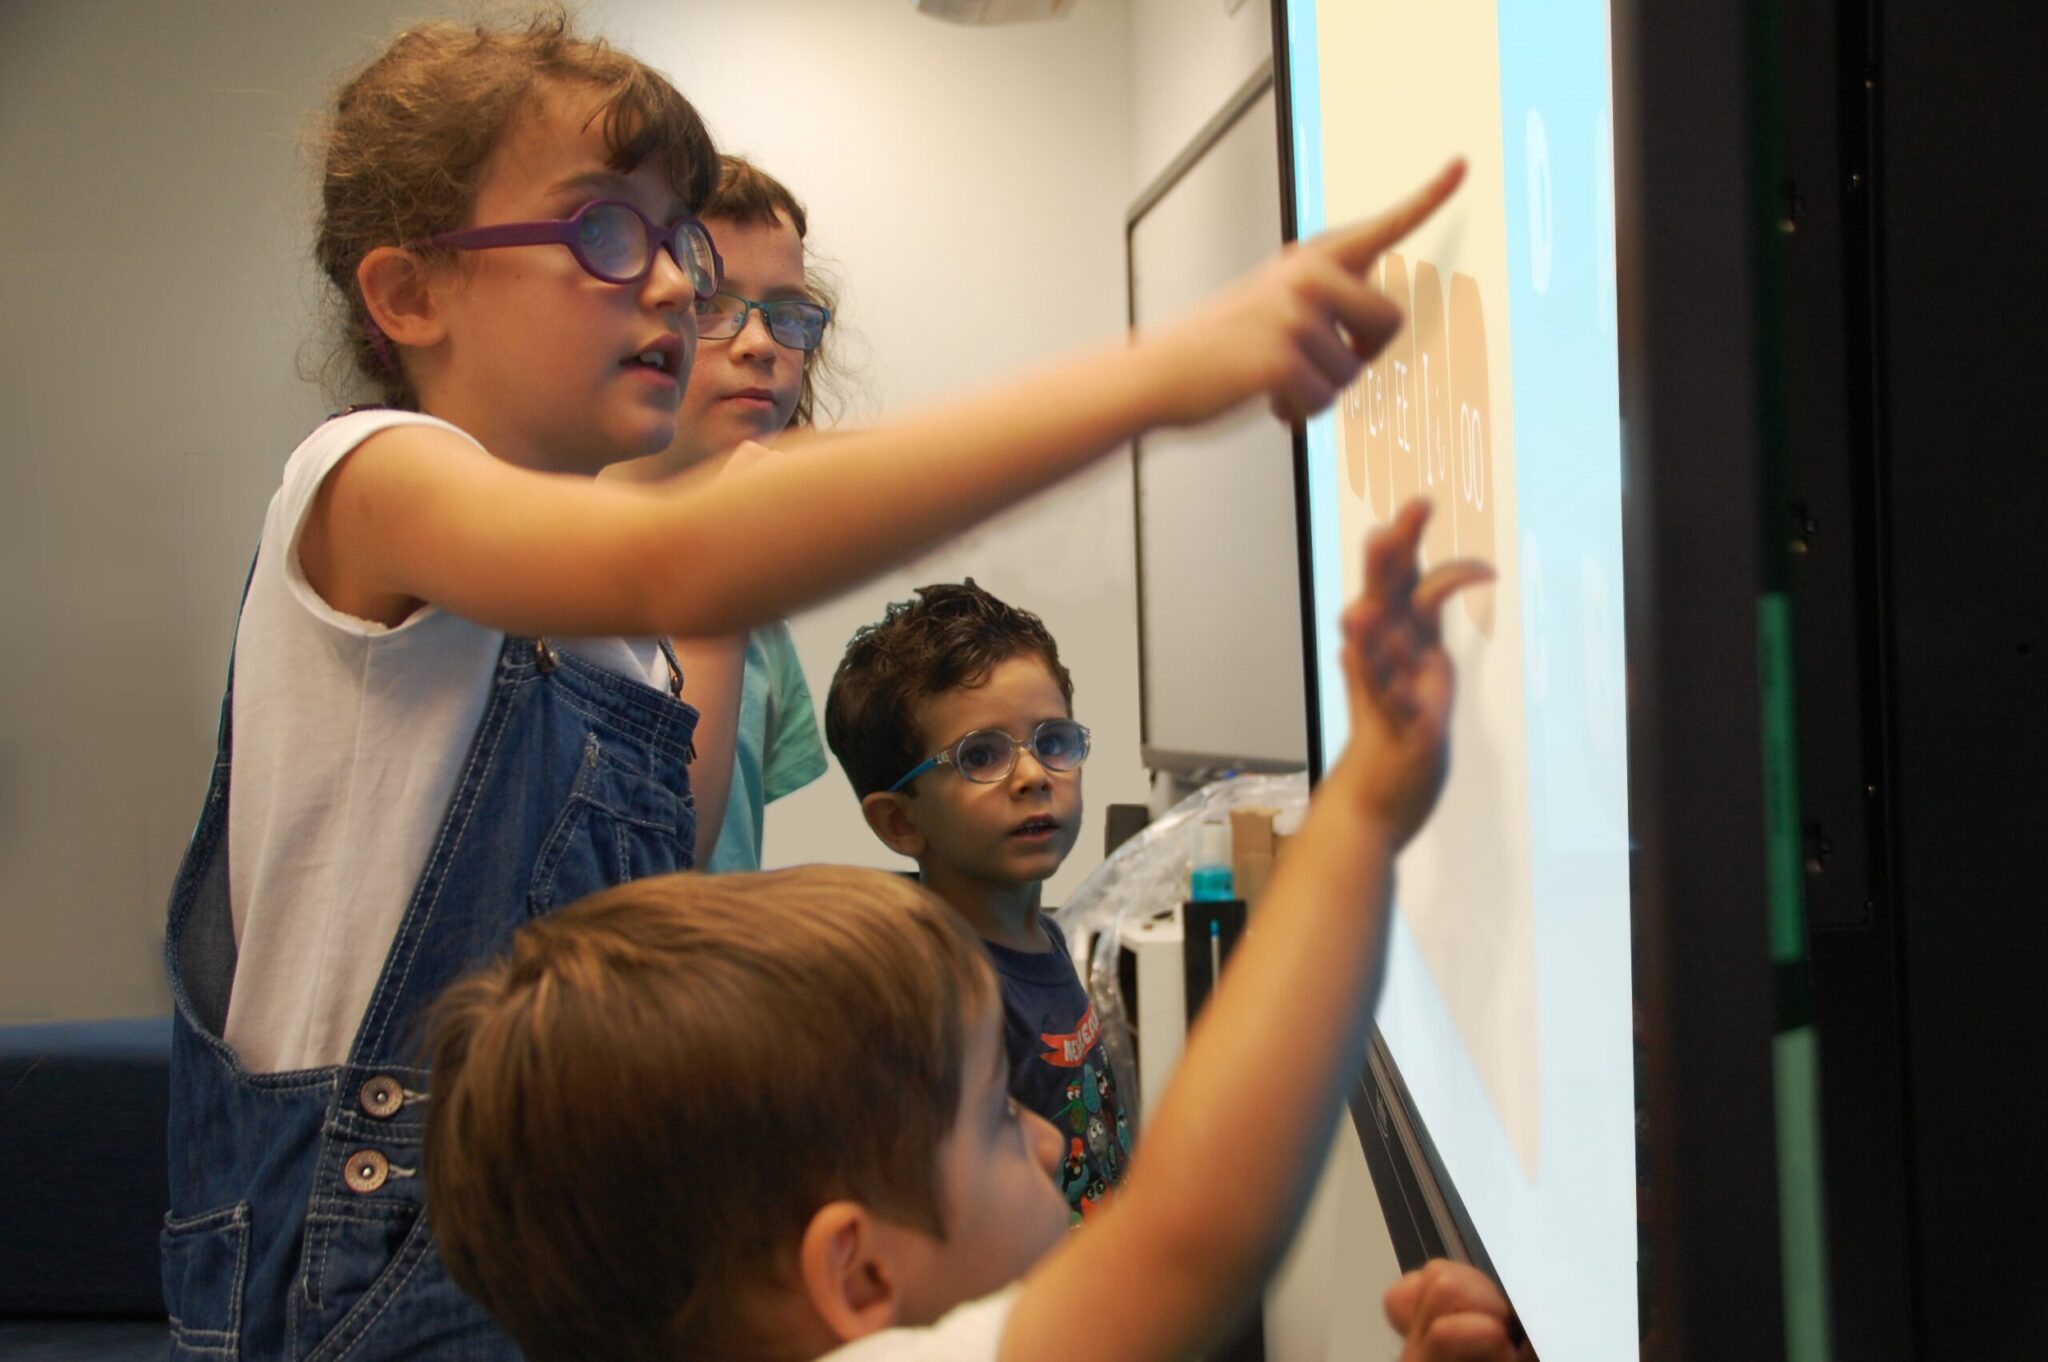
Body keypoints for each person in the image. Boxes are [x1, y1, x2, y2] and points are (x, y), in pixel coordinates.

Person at [159, 7, 1464, 1357]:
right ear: (410, 294)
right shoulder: (366, 477)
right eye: (605, 232)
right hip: (357, 1269)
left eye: (677, 244)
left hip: (578, 1258)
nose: (673, 289)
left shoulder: (634, 632)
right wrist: (1162, 378)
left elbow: (665, 889)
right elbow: (678, 558)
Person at [422, 503, 1524, 1362]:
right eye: (997, 1123)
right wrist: (1366, 803)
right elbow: (1192, 1237)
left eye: (1052, 741)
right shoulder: (932, 994)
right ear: (859, 1279)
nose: (1041, 1141)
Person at [824, 581, 1129, 1220]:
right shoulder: (947, 999)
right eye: (981, 756)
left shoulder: (1042, 934)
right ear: (900, 822)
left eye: (1052, 741)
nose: (1033, 775)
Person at [607, 154, 844, 871]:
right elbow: (660, 858)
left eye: (788, 314)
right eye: (710, 303)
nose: (760, 344)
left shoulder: (761, 620)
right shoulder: (551, 575)